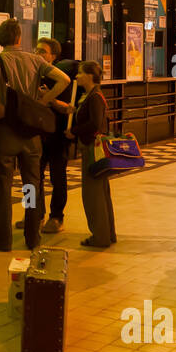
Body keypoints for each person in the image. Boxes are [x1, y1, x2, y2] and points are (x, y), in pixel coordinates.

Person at [0, 18, 71, 252]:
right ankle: (33, 238)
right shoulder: (35, 60)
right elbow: (64, 79)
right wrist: (42, 101)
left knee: (3, 185)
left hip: (6, 131)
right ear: (19, 38)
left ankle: (3, 240)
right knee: (31, 185)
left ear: (0, 39)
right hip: (31, 134)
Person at [31, 37, 77, 234]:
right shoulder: (33, 75)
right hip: (36, 135)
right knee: (32, 178)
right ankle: (33, 215)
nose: (38, 54)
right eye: (36, 50)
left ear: (53, 56)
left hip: (57, 136)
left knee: (57, 178)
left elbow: (68, 108)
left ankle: (57, 217)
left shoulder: (61, 77)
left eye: (43, 51)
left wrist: (48, 98)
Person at [69, 61, 116, 248]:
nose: (77, 76)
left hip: (92, 149)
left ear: (89, 76)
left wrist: (74, 130)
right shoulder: (91, 95)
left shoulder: (94, 96)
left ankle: (100, 237)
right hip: (95, 148)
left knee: (93, 195)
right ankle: (107, 234)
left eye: (80, 73)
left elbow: (95, 124)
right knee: (102, 193)